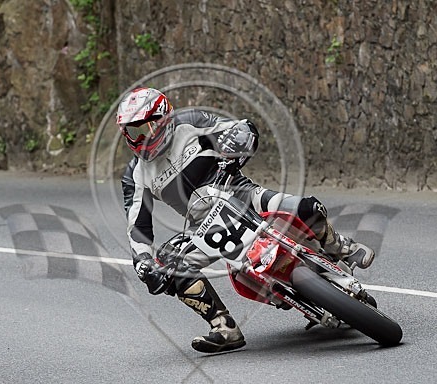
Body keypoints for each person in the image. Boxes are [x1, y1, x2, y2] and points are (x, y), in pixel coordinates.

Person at [118, 87, 374, 353]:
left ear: (164, 118)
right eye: (133, 132)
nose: (142, 138)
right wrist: (144, 262)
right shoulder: (134, 175)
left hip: (240, 193)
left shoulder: (190, 122)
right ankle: (223, 327)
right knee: (172, 268)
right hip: (202, 224)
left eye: (147, 127)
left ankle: (340, 246)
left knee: (305, 207)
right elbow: (138, 226)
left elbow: (240, 128)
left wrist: (237, 146)